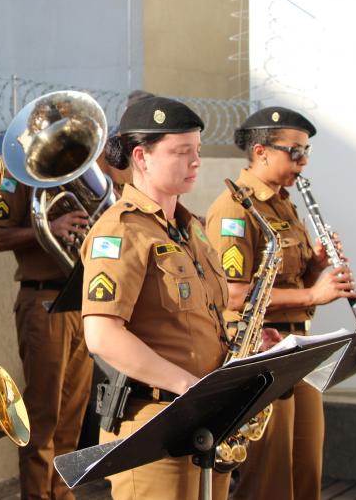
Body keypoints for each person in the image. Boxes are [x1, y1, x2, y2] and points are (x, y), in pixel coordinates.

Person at [80, 96, 234, 499]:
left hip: (204, 422)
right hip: (157, 426)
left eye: (197, 151)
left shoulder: (190, 228)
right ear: (141, 158)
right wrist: (187, 386)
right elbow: (102, 335)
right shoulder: (121, 231)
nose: (196, 161)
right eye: (182, 152)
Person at [205, 106, 356, 500]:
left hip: (300, 349)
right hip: (264, 354)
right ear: (261, 151)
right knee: (269, 480)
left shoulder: (284, 204)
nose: (303, 161)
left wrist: (318, 270)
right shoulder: (234, 210)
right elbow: (234, 295)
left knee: (305, 469)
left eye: (305, 152)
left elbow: (289, 281)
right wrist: (312, 294)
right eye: (295, 151)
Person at [0, 172, 93, 499]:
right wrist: (49, 228)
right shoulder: (20, 177)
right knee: (43, 415)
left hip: (82, 302)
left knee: (72, 416)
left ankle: (62, 494)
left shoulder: (86, 175)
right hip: (44, 301)